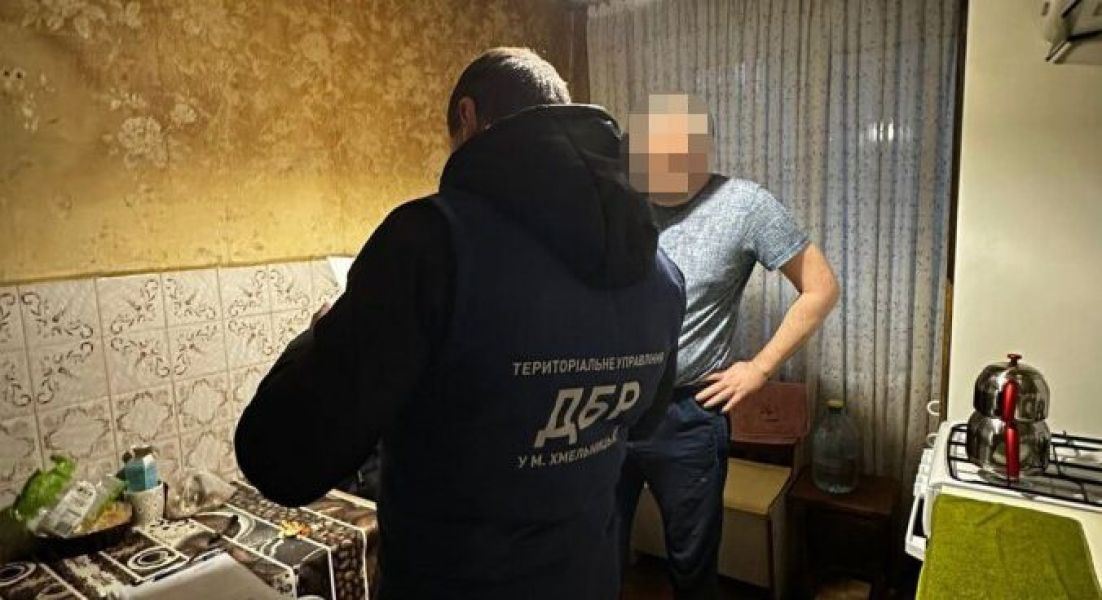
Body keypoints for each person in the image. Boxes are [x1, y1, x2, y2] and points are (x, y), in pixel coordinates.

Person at [234, 48, 686, 599]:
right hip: (586, 578)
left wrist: (323, 332)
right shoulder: (663, 274)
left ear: (467, 118)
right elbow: (641, 422)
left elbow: (280, 458)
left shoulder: (433, 242)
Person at [618, 94, 840, 598]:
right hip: (609, 409)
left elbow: (821, 287)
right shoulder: (624, 202)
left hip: (687, 414)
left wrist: (759, 368)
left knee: (692, 565)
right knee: (596, 550)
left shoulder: (744, 204)